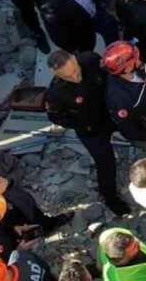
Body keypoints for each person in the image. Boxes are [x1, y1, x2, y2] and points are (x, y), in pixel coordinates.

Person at [45, 50, 130, 214]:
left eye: (75, 70)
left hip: (111, 114)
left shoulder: (91, 60)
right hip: (91, 130)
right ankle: (111, 198)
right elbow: (56, 117)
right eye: (68, 76)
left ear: (75, 59)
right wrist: (83, 124)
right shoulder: (55, 94)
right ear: (54, 73)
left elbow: (109, 76)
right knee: (105, 164)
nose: (75, 77)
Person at [102, 41, 146, 144]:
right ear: (128, 67)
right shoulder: (118, 97)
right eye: (135, 59)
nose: (139, 60)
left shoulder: (139, 68)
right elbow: (126, 128)